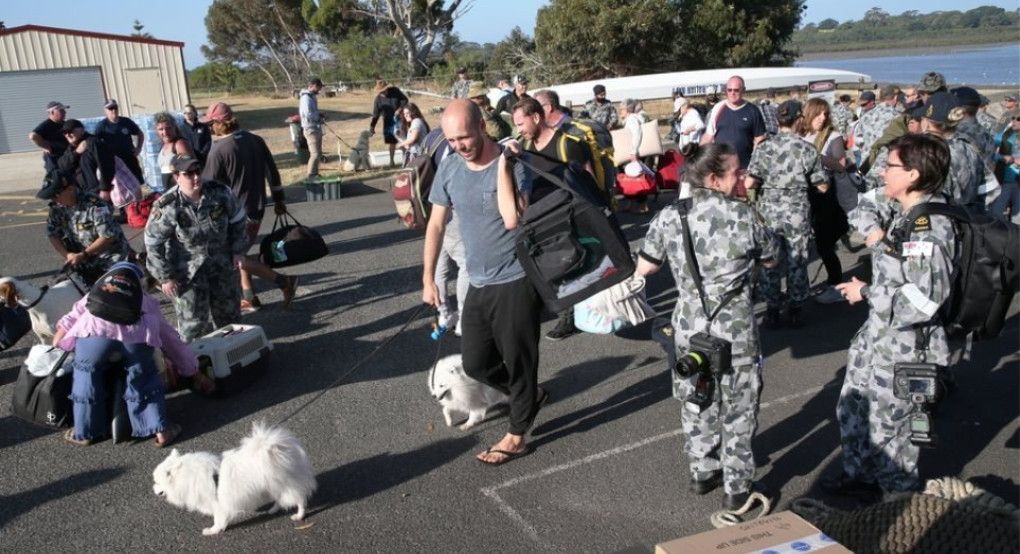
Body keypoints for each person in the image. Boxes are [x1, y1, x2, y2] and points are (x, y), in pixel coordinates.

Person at [637, 142, 779, 510]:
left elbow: (646, 267)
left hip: (688, 325)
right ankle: (737, 485)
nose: (743, 176)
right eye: (737, 172)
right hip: (734, 329)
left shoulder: (671, 216)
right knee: (738, 406)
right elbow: (773, 259)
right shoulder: (745, 216)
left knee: (697, 396)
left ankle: (702, 469)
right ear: (715, 179)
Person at [825, 134, 955, 496]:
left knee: (892, 433)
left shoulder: (931, 227)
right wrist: (876, 233)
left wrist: (864, 291)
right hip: (878, 338)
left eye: (890, 166)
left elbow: (923, 302)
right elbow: (861, 206)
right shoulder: (905, 211)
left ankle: (897, 507)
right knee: (853, 410)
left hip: (905, 348)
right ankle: (860, 474)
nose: (883, 172)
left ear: (912, 174)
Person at [422, 99, 542, 467]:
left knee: (519, 360)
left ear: (482, 128)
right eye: (451, 139)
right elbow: (436, 224)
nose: (459, 145)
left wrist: (505, 164)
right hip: (478, 280)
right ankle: (527, 397)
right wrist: (428, 277)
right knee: (475, 362)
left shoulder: (515, 165)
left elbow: (511, 218)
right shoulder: (450, 167)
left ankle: (517, 434)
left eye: (464, 137)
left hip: (516, 278)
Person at [53, 262, 216, 447]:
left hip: (93, 335)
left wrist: (59, 336)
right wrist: (196, 374)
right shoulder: (145, 300)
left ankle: (85, 433)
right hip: (136, 338)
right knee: (144, 377)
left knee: (86, 377)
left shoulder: (98, 291)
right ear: (139, 282)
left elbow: (73, 315)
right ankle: (161, 431)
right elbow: (172, 342)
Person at [199, 102, 298, 313]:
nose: (209, 128)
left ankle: (283, 281)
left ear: (219, 123)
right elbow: (272, 172)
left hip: (235, 214)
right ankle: (249, 297)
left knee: (233, 256)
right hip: (257, 208)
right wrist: (279, 199)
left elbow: (206, 188)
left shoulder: (219, 150)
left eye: (210, 123)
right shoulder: (256, 140)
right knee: (241, 252)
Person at [511, 96, 594, 343]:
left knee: (576, 264)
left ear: (536, 117)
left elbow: (588, 179)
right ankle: (569, 311)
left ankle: (572, 316)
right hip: (541, 216)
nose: (518, 130)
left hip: (569, 213)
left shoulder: (568, 144)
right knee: (555, 266)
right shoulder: (524, 148)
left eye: (520, 123)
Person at [144, 155, 249, 342]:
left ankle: (232, 357)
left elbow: (239, 221)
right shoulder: (168, 205)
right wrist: (165, 277)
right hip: (187, 272)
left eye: (197, 172)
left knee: (229, 317)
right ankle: (196, 365)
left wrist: (238, 251)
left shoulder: (219, 192)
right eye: (188, 174)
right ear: (177, 177)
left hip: (222, 264)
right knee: (193, 323)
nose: (195, 178)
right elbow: (153, 244)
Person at [745, 100, 827, 327]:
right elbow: (822, 186)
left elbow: (750, 182)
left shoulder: (764, 148)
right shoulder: (807, 149)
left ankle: (772, 308)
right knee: (797, 260)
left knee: (770, 260)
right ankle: (796, 308)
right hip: (797, 211)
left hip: (769, 212)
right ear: (799, 119)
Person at [798, 98, 850, 304]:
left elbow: (841, 164)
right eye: (818, 114)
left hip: (825, 194)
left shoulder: (832, 136)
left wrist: (815, 156)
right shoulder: (801, 135)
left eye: (825, 114)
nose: (822, 118)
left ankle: (835, 285)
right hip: (805, 194)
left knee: (824, 244)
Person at [40, 169, 131, 286]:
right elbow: (52, 234)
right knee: (60, 287)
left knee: (111, 292)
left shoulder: (95, 205)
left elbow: (107, 236)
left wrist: (84, 254)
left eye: (56, 195)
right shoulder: (57, 208)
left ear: (70, 189)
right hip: (82, 260)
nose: (54, 199)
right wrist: (67, 255)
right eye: (51, 197)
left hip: (109, 256)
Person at [920, 92, 988, 212]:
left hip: (941, 219)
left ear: (927, 123)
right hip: (969, 218)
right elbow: (989, 190)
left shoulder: (932, 152)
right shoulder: (969, 147)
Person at [701, 76, 767, 174]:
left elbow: (760, 140)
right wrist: (699, 157)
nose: (732, 93)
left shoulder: (753, 111)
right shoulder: (718, 108)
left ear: (743, 91)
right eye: (729, 90)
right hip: (720, 169)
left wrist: (755, 167)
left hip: (744, 169)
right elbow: (708, 136)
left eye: (736, 90)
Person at [58, 118, 116, 201]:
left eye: (70, 131)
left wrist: (104, 189)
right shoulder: (72, 147)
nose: (67, 135)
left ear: (82, 130)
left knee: (101, 213)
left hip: (97, 191)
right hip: (83, 192)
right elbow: (62, 165)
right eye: (64, 133)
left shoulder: (93, 143)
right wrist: (76, 152)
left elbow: (106, 166)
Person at [94, 98, 145, 183]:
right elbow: (95, 142)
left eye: (115, 108)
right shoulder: (102, 125)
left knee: (138, 181)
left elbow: (140, 133)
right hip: (114, 160)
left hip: (129, 157)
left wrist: (138, 148)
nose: (113, 110)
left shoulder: (126, 121)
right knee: (120, 183)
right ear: (105, 111)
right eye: (110, 109)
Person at [619, 98, 651, 213]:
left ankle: (643, 205)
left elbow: (636, 135)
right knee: (631, 178)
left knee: (637, 178)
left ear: (627, 109)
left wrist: (633, 151)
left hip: (634, 153)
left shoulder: (632, 119)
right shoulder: (631, 119)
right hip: (632, 152)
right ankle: (632, 204)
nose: (620, 111)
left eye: (621, 109)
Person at [369, 80, 409, 168]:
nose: (383, 93)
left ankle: (405, 160)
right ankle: (392, 162)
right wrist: (372, 126)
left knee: (403, 140)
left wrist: (400, 109)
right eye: (381, 92)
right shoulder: (378, 100)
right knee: (392, 142)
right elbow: (376, 115)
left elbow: (405, 100)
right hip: (388, 121)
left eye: (384, 91)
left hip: (400, 119)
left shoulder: (395, 91)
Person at [154, 112, 194, 191]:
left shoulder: (179, 144)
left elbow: (189, 168)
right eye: (161, 129)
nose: (165, 132)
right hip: (169, 190)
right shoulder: (163, 145)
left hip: (180, 190)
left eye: (168, 128)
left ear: (174, 128)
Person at [992, 113, 1019, 222]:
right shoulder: (1005, 136)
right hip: (1004, 183)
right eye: (1013, 118)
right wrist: (1002, 157)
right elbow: (987, 150)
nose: (1014, 121)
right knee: (996, 216)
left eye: (1018, 119)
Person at [29, 101, 71, 173]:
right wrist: (45, 146)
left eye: (64, 110)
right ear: (52, 112)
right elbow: (33, 136)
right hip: (54, 160)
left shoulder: (64, 124)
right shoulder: (47, 125)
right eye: (61, 110)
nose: (65, 112)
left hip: (66, 157)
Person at [300, 77, 325, 179]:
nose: (319, 89)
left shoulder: (312, 97)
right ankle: (310, 175)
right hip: (310, 129)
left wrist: (320, 114)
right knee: (314, 154)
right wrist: (318, 117)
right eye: (318, 87)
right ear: (313, 86)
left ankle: (315, 173)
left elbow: (313, 111)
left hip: (316, 128)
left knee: (318, 153)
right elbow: (308, 114)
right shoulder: (306, 98)